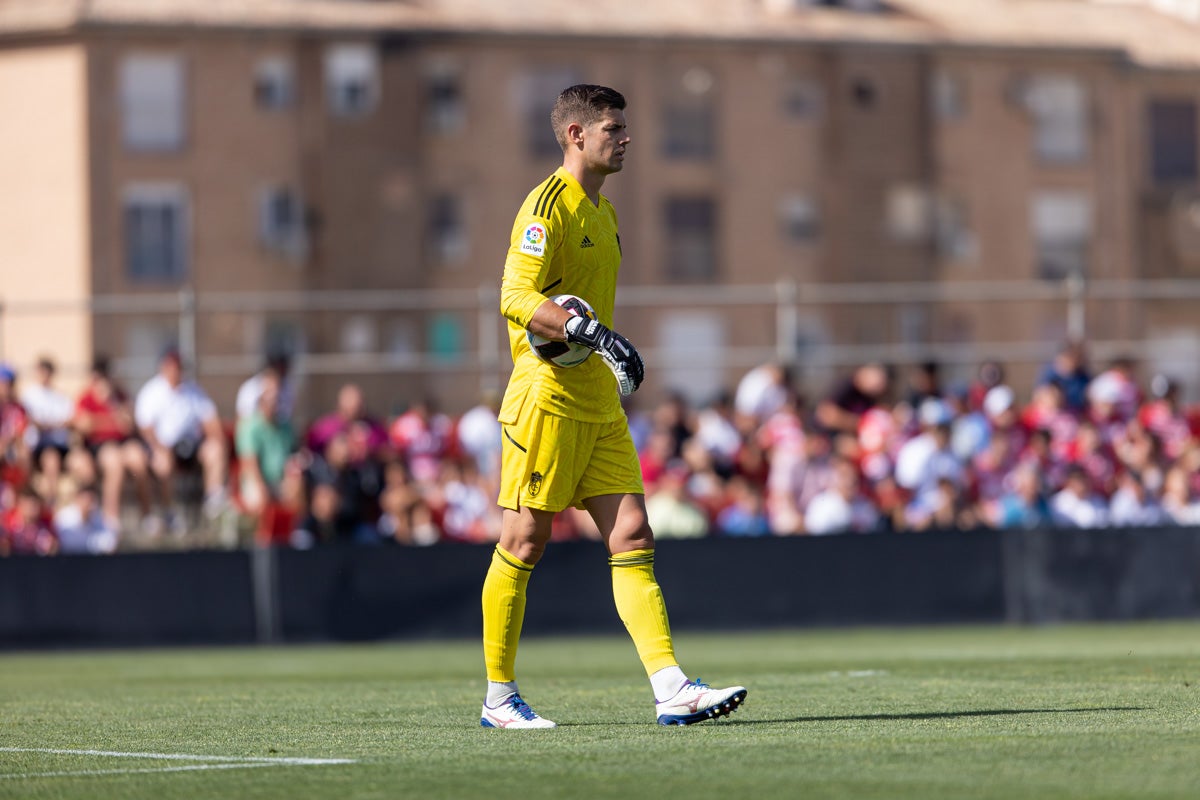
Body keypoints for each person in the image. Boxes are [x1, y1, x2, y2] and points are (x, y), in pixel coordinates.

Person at [479, 84, 745, 729]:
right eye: (611, 128)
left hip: (597, 403)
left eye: (624, 127)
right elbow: (513, 295)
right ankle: (499, 698)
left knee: (633, 534)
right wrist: (592, 334)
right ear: (574, 134)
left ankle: (670, 686)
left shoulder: (605, 212)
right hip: (544, 401)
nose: (625, 138)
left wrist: (601, 347)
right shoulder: (548, 208)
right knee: (524, 539)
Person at [134, 349, 228, 529]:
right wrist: (160, 448)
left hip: (191, 446)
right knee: (163, 463)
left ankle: (213, 504)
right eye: (173, 366)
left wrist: (217, 438)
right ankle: (169, 511)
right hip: (163, 447)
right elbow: (146, 427)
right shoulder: (152, 392)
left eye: (179, 367)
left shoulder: (194, 391)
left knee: (215, 449)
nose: (177, 371)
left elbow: (210, 421)